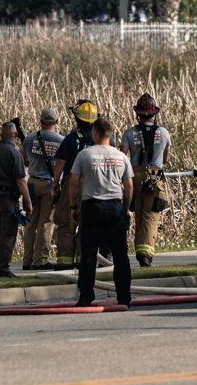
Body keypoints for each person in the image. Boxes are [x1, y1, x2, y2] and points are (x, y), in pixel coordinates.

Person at [69, 117, 133, 308]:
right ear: (110, 134)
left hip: (92, 206)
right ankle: (124, 297)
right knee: (120, 255)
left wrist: (74, 207)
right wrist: (126, 209)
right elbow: (128, 185)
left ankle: (86, 296)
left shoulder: (85, 155)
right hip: (115, 207)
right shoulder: (121, 156)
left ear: (95, 133)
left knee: (88, 254)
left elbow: (74, 182)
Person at [120, 93, 171, 267]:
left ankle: (140, 251)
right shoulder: (163, 133)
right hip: (155, 177)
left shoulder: (129, 133)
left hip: (134, 176)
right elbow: (165, 159)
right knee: (151, 215)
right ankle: (145, 254)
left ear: (138, 114)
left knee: (140, 214)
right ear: (154, 114)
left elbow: (122, 157)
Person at [0, 121, 33, 278]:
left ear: (1, 135)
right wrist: (28, 203)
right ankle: (2, 268)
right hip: (9, 199)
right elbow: (20, 180)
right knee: (8, 232)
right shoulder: (14, 154)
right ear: (15, 135)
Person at [51, 99, 98, 269]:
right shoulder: (101, 140)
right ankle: (83, 259)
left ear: (77, 119)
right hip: (93, 184)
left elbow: (60, 163)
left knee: (65, 222)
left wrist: (55, 183)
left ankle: (64, 262)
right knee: (88, 224)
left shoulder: (71, 139)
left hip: (72, 182)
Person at [21, 107, 64, 270]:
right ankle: (40, 260)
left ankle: (27, 261)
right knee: (46, 223)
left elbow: (24, 161)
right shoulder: (61, 140)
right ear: (56, 123)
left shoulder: (30, 138)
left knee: (30, 223)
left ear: (41, 121)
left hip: (31, 183)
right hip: (49, 185)